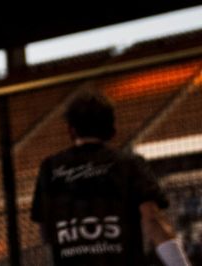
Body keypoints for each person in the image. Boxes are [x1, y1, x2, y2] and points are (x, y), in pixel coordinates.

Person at [30, 91, 191, 266]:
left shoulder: (50, 168)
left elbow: (46, 231)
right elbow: (152, 219)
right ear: (110, 127)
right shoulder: (128, 163)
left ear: (71, 129)